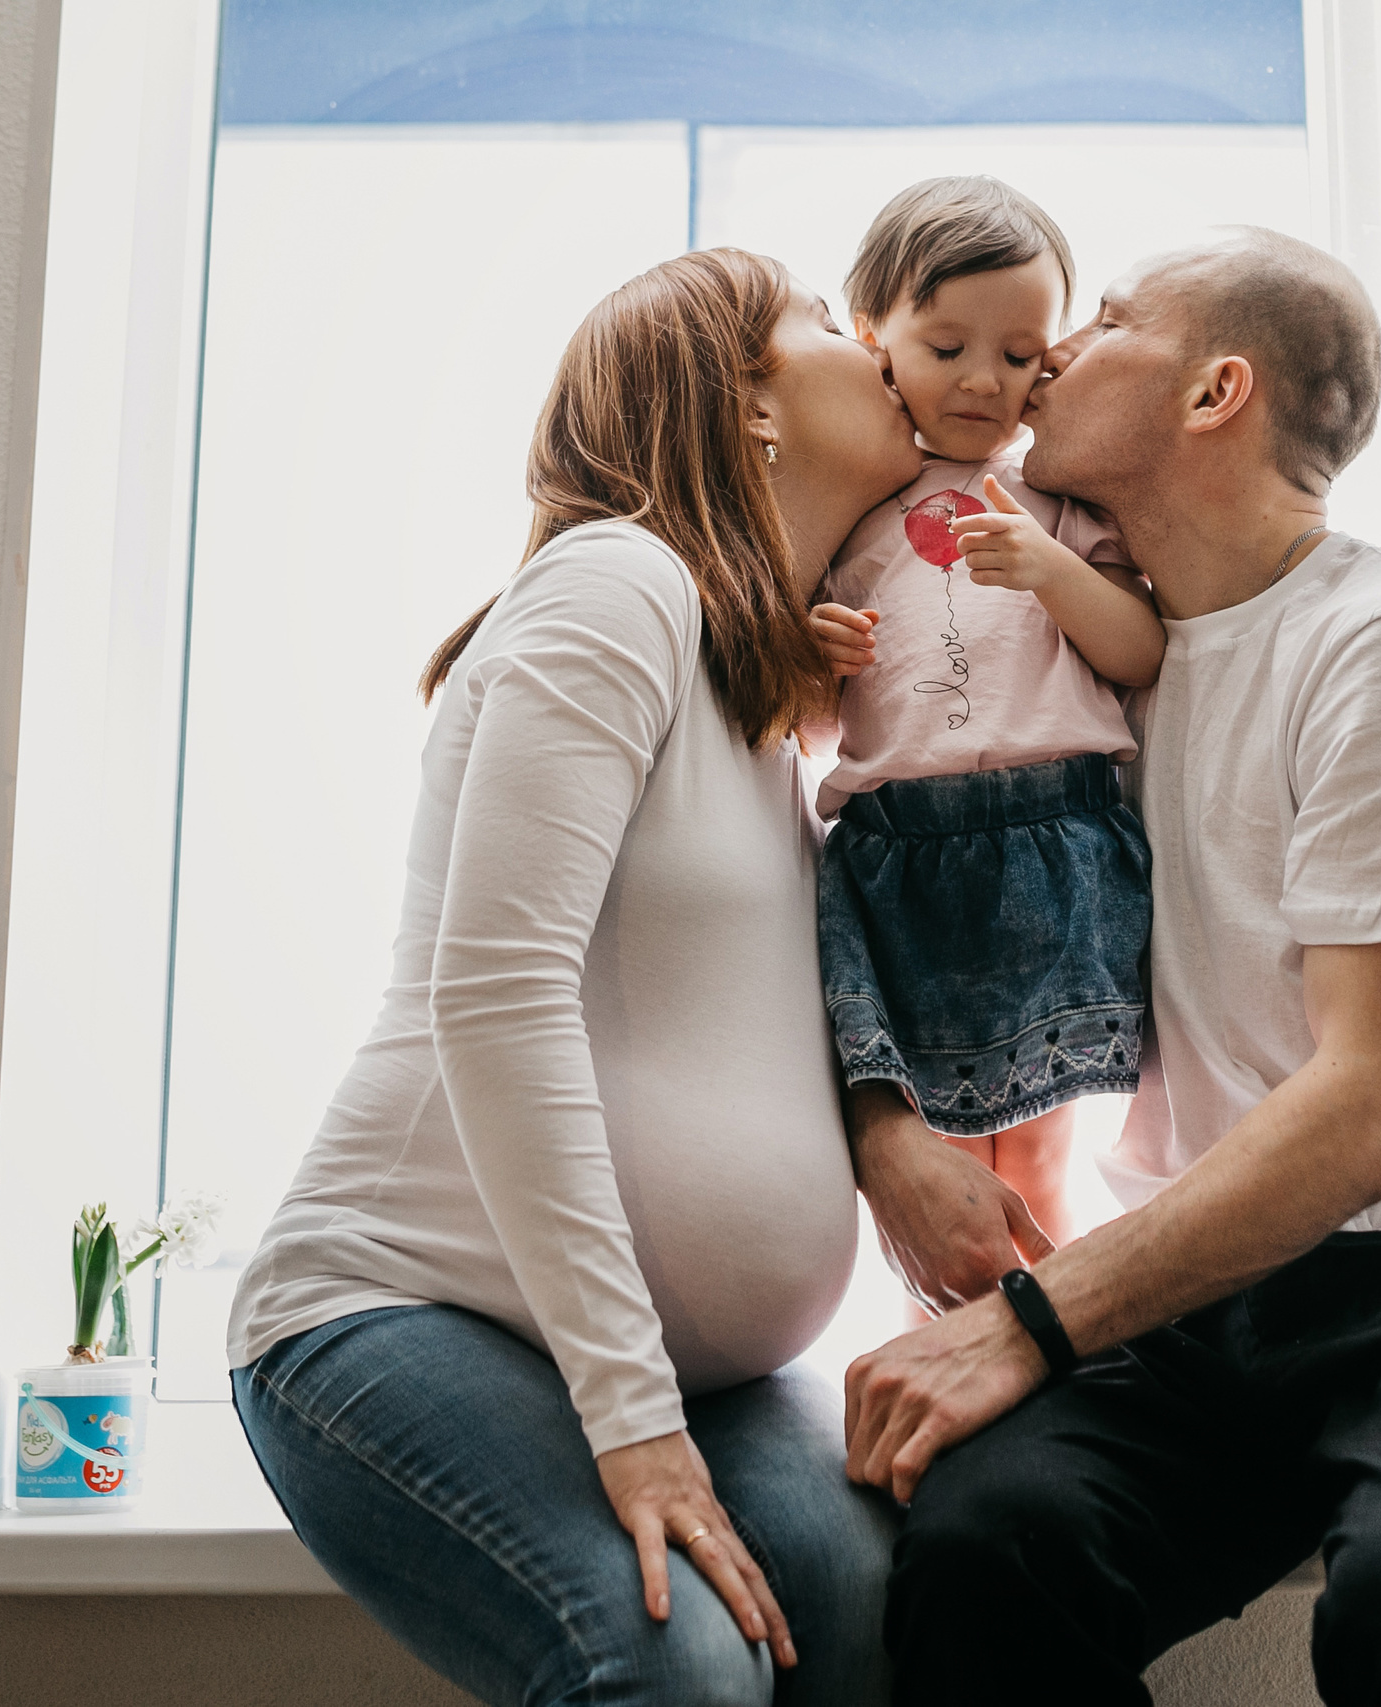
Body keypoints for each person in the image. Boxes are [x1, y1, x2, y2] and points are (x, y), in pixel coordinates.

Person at [842, 227, 1381, 1706]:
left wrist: (1029, 1320)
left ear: (1216, 393)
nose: (1054, 349)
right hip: (1202, 1300)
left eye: (1112, 318)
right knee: (982, 1556)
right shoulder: (1103, 656)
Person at [225, 248, 922, 1707]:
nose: (871, 343)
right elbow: (499, 992)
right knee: (675, 1668)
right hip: (397, 1306)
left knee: (886, 1610)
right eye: (816, 321)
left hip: (685, 1366)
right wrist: (631, 1417)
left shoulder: (759, 699)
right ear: (750, 410)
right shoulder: (617, 584)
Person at [808, 176, 1165, 1253]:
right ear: (874, 336)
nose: (982, 382)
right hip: (900, 855)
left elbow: (1141, 651)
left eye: (1020, 356)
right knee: (936, 1165)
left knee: (1040, 1152)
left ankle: (1046, 1346)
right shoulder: (851, 502)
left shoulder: (1056, 493)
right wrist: (810, 657)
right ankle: (948, 1342)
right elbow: (815, 731)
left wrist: (1053, 569)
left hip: (1053, 838)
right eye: (947, 346)